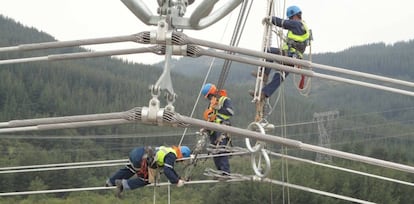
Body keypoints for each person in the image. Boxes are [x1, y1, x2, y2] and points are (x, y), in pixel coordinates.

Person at [252, 5, 310, 99]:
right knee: (279, 75)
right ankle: (263, 94)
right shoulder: (302, 27)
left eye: (291, 17)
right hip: (294, 58)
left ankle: (265, 74)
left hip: (290, 55)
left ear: (295, 16)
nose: (290, 19)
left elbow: (282, 23)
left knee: (268, 51)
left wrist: (270, 19)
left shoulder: (297, 24)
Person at [105, 145, 191, 198]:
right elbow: (167, 170)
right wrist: (177, 181)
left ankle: (110, 182)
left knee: (130, 169)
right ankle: (122, 184)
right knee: (147, 180)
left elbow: (170, 169)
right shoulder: (172, 155)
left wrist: (178, 178)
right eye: (182, 160)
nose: (180, 161)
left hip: (138, 152)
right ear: (182, 155)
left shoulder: (168, 149)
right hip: (143, 159)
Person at [200, 83, 234, 176]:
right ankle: (219, 171)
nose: (209, 98)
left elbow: (230, 112)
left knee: (221, 150)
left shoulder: (225, 100)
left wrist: (219, 108)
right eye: (208, 97)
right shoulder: (211, 104)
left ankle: (225, 172)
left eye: (210, 96)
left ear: (213, 93)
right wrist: (205, 127)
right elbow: (209, 117)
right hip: (213, 131)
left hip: (222, 129)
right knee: (214, 152)